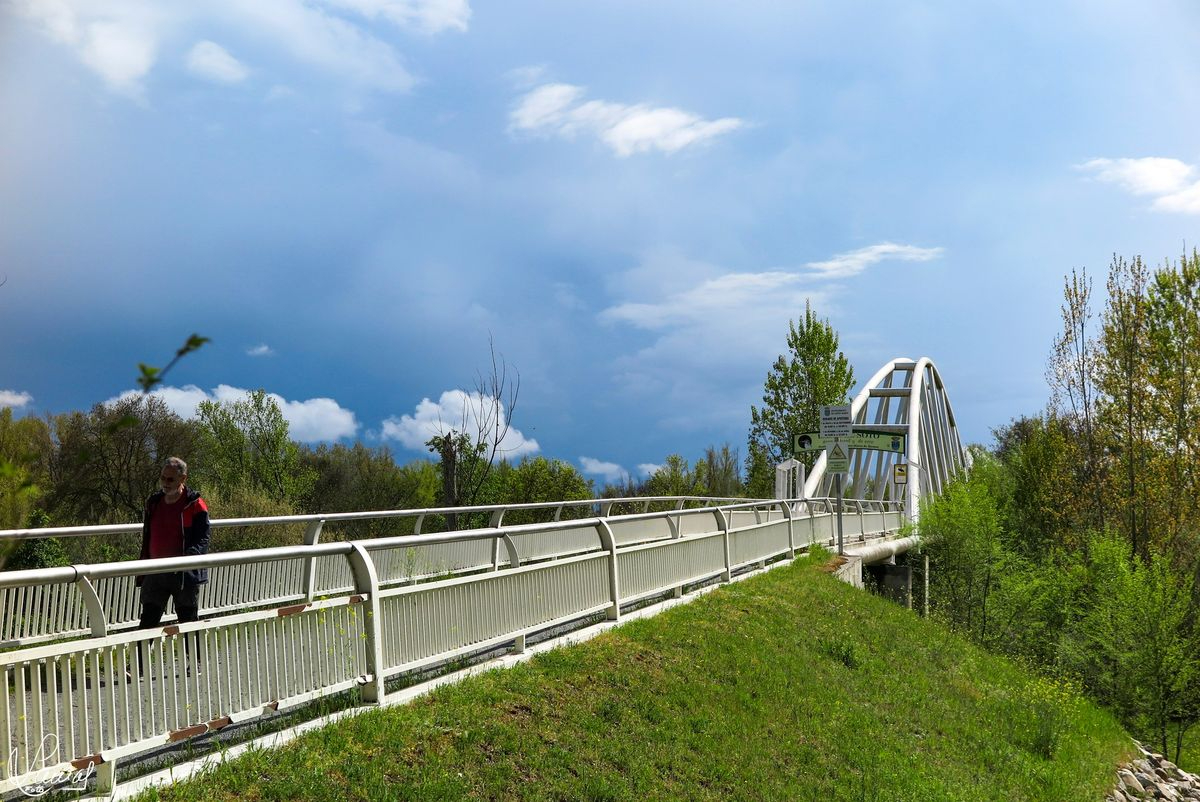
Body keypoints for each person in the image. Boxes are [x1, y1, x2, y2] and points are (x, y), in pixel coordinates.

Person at [137, 456, 211, 628]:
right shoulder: (153, 503)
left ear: (183, 478)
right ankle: (142, 648)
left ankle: (193, 648)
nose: (165, 483)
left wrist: (189, 558)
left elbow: (203, 538)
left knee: (188, 624)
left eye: (170, 479)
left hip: (183, 574)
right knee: (147, 622)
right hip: (155, 570)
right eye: (162, 478)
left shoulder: (195, 504)